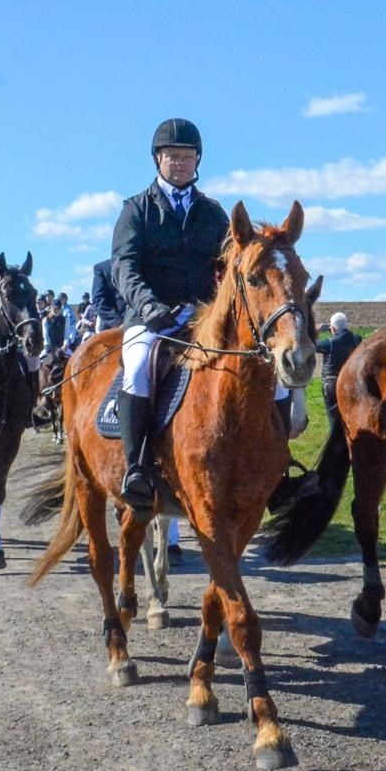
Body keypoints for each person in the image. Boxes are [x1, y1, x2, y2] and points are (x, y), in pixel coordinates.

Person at [111, 117, 231, 512]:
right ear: (157, 160)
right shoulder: (136, 210)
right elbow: (124, 267)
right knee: (138, 362)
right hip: (152, 317)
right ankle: (136, 465)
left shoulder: (213, 213)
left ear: (198, 160)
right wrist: (148, 306)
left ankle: (276, 469)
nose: (180, 163)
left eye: (187, 156)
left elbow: (230, 268)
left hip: (202, 319)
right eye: (172, 156)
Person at [315, 311, 360, 424]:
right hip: (349, 382)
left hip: (331, 384)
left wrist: (317, 331)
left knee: (334, 420)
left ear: (333, 328)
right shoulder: (356, 339)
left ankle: (337, 438)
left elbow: (312, 344)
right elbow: (353, 335)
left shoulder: (329, 343)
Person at [89, 257, 125, 332]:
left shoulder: (146, 265)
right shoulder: (103, 268)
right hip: (113, 329)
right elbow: (98, 301)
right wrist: (119, 323)